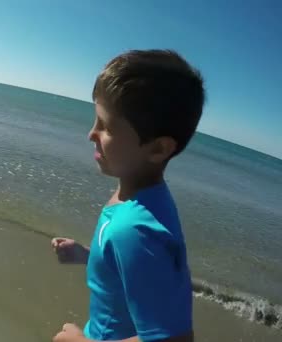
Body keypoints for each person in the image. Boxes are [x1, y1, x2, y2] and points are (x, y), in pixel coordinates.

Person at [51, 50, 205, 342]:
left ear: (158, 149)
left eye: (106, 126)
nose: (91, 133)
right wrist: (87, 255)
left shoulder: (136, 231)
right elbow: (133, 269)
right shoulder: (137, 195)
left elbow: (176, 339)